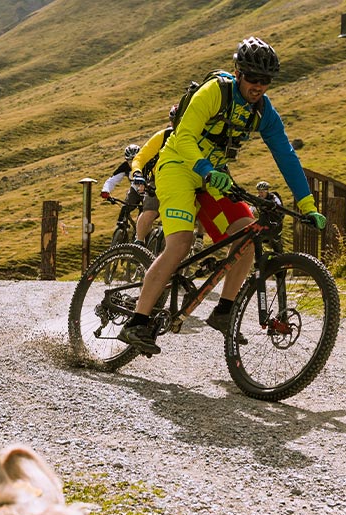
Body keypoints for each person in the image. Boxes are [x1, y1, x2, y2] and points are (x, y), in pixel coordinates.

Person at [117, 37, 326, 354]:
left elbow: (286, 156)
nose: (258, 86)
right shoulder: (215, 91)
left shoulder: (263, 112)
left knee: (246, 230)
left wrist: (308, 204)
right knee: (181, 244)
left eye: (265, 81)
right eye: (253, 78)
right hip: (179, 166)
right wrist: (203, 167)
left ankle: (225, 310)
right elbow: (183, 135)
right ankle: (138, 322)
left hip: (213, 175)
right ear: (239, 72)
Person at [101, 113, 177, 243]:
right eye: (129, 160)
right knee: (130, 205)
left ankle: (146, 238)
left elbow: (149, 174)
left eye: (133, 160)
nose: (131, 163)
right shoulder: (125, 167)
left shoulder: (148, 163)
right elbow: (112, 179)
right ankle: (123, 226)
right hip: (138, 190)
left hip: (149, 187)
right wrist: (106, 191)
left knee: (149, 212)